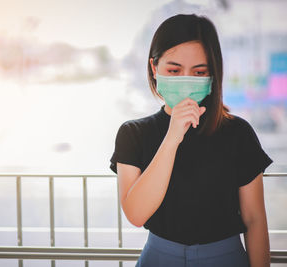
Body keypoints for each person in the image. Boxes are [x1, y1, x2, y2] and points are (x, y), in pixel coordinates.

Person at [109, 14, 273, 267]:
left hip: (226, 257)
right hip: (159, 257)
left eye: (199, 72)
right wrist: (173, 137)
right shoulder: (133, 133)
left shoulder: (238, 133)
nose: (186, 79)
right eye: (174, 70)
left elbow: (255, 220)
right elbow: (136, 213)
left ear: (212, 76)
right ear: (154, 68)